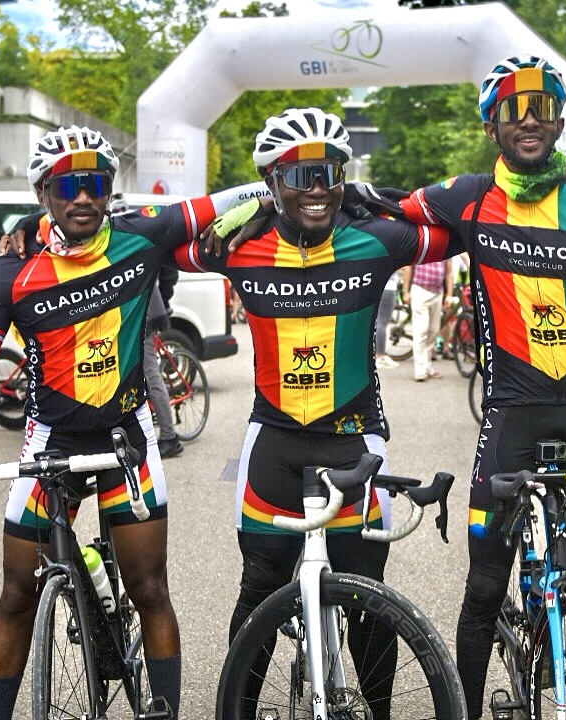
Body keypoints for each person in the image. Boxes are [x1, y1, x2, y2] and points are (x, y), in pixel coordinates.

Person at [0, 125, 258, 720]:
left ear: (109, 189)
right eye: (67, 186)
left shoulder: (140, 236)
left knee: (149, 589)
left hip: (125, 442)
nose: (83, 197)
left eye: (95, 184)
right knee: (16, 595)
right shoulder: (12, 271)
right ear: (43, 193)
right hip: (49, 443)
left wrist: (290, 189)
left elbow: (231, 198)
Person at [381, 56, 566, 718]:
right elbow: (377, 206)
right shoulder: (469, 198)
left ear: (560, 121)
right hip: (510, 421)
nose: (529, 119)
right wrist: (265, 204)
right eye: (513, 109)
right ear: (490, 125)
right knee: (482, 590)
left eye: (543, 107)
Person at [186, 107, 466, 717]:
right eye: (299, 174)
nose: (318, 187)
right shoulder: (241, 246)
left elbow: (465, 219)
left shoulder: (376, 240)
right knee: (259, 591)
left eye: (331, 172)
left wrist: (375, 195)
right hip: (275, 443)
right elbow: (150, 238)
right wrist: (37, 228)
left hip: (353, 442)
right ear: (273, 180)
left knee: (368, 600)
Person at [145, 276, 184, 458]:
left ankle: (170, 437)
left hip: (147, 315)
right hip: (137, 313)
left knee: (150, 374)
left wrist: (163, 298)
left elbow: (169, 270)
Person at [402, 258, 453, 380]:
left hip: (438, 293)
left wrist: (449, 295)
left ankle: (427, 366)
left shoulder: (445, 250)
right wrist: (405, 291)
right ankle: (420, 369)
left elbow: (449, 272)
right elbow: (408, 267)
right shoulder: (422, 248)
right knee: (421, 331)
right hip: (420, 290)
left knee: (433, 331)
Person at [375, 270, 401, 369]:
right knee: (382, 323)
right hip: (388, 287)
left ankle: (378, 354)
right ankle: (380, 356)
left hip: (377, 286)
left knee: (378, 321)